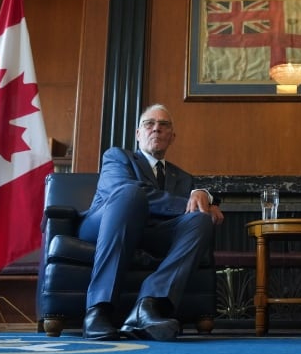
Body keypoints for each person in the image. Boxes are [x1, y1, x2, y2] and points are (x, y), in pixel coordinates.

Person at [79, 103, 223, 341]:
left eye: (164, 125)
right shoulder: (117, 157)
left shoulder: (184, 178)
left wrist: (204, 198)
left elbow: (190, 209)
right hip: (106, 224)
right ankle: (98, 310)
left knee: (200, 221)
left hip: (153, 232)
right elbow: (134, 193)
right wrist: (193, 200)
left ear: (172, 137)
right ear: (138, 134)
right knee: (130, 193)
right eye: (149, 124)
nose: (156, 129)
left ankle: (147, 306)